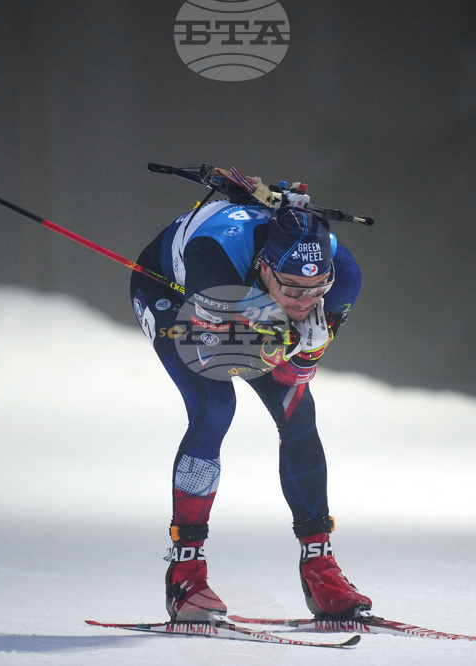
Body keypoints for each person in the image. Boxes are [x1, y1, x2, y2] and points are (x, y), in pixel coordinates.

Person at [129, 188, 372, 622]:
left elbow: (295, 375)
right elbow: (211, 356)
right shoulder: (213, 259)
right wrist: (286, 338)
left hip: (247, 307)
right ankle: (186, 571)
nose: (304, 301)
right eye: (293, 287)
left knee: (298, 409)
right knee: (215, 405)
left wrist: (304, 349)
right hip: (172, 290)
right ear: (264, 267)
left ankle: (319, 566)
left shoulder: (344, 275)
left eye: (317, 289)